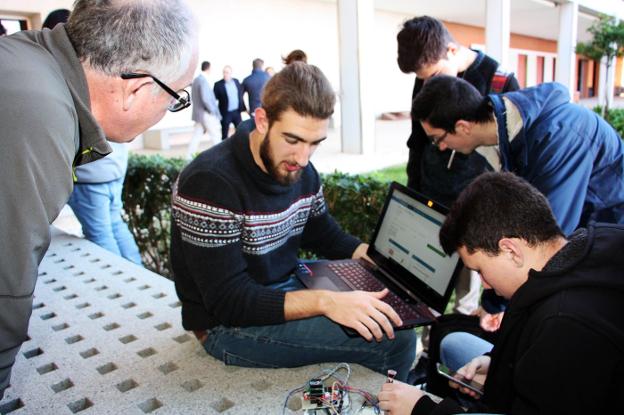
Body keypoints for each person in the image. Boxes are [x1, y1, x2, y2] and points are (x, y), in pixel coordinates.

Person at [0, 0, 198, 399]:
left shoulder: (26, 61)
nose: (169, 109)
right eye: (176, 97)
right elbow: (7, 282)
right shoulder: (42, 116)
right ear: (136, 89)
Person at [170, 62, 416, 381]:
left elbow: (322, 232)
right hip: (225, 327)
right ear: (262, 120)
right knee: (397, 340)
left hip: (282, 285)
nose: (303, 158)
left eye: (315, 143)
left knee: (391, 312)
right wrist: (326, 302)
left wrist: (372, 258)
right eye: (293, 140)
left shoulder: (300, 170)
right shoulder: (210, 183)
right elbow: (228, 302)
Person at [378, 172, 624, 414]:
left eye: (480, 270)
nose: (484, 283)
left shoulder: (565, 326)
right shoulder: (583, 248)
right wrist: (495, 362)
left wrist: (423, 409)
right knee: (454, 343)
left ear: (511, 250)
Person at [397, 16, 519, 379]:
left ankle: (456, 359)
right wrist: (413, 189)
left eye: (433, 74)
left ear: (452, 49)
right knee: (419, 281)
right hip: (430, 198)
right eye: (422, 79)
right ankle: (417, 353)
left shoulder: (498, 80)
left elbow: (508, 155)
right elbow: (416, 141)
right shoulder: (426, 79)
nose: (428, 83)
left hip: (474, 207)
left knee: (466, 294)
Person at [412, 75, 624, 231]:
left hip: (610, 242)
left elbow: (549, 239)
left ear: (462, 127)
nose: (440, 147)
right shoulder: (501, 140)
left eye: (436, 139)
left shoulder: (561, 135)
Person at [68, 142, 142, 265]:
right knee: (115, 225)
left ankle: (116, 280)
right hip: (114, 167)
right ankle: (139, 275)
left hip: (87, 174)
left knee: (100, 234)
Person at [188, 61, 221, 160]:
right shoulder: (202, 80)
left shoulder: (197, 80)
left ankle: (188, 157)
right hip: (206, 114)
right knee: (216, 136)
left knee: (196, 136)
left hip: (200, 114)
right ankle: (221, 157)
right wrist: (213, 111)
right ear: (208, 68)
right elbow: (206, 99)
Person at [213, 65, 246, 140]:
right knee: (224, 133)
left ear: (231, 73)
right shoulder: (218, 85)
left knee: (240, 132)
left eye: (227, 72)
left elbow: (240, 95)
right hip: (225, 113)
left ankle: (239, 148)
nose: (225, 74)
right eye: (224, 72)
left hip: (237, 112)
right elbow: (214, 99)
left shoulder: (236, 81)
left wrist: (243, 108)